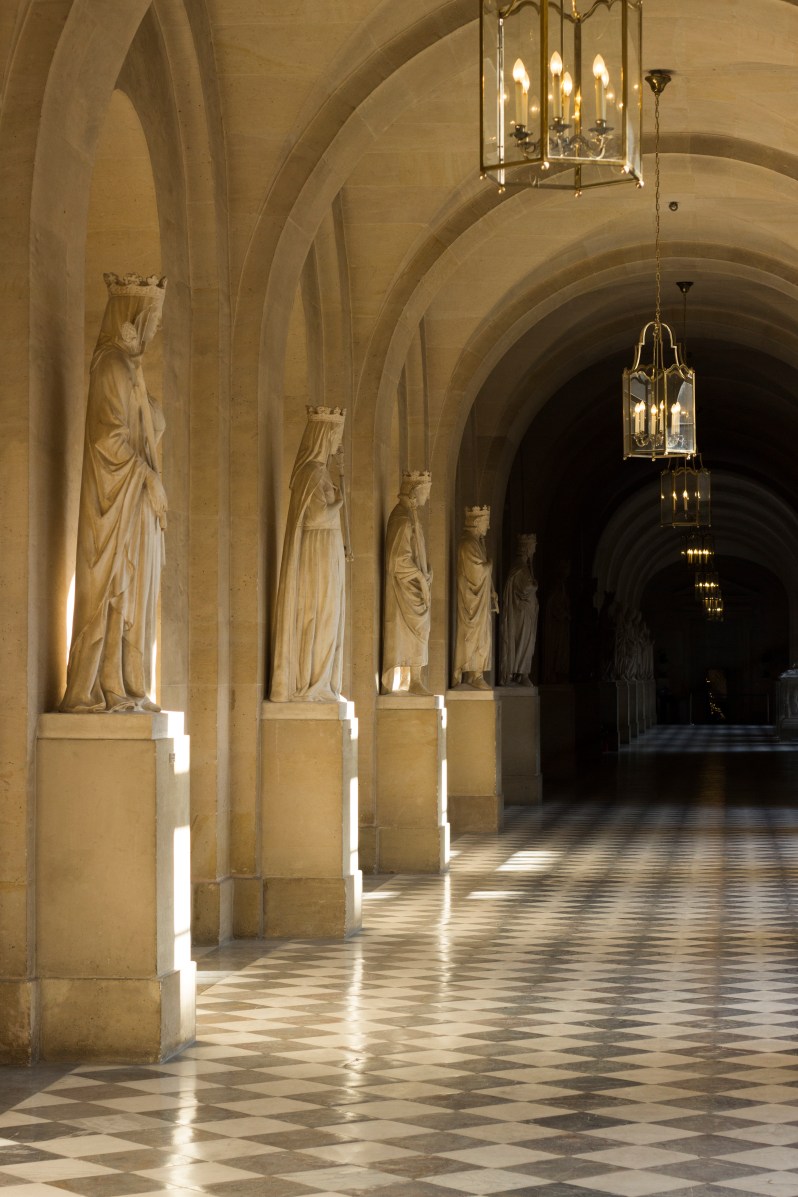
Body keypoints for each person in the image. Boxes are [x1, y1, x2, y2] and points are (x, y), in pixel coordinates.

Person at [61, 272, 167, 713]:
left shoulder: (131, 371)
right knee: (116, 592)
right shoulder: (111, 367)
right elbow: (110, 440)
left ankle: (127, 685)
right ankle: (104, 687)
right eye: (152, 319)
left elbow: (146, 430)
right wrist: (149, 477)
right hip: (117, 502)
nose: (155, 328)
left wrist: (149, 405)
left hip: (135, 505)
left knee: (136, 598)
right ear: (134, 318)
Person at [270, 406, 348, 702]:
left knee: (328, 615)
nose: (336, 445)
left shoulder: (322, 474)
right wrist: (340, 501)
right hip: (316, 553)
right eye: (334, 436)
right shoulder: (311, 474)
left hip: (327, 552)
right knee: (318, 615)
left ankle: (323, 681)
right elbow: (317, 517)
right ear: (322, 437)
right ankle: (311, 682)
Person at [382, 470, 433, 695]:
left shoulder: (411, 516)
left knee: (421, 628)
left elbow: (415, 552)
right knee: (415, 628)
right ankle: (410, 680)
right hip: (406, 587)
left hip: (414, 585)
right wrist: (420, 578)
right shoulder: (401, 517)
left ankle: (414, 678)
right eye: (426, 491)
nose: (428, 497)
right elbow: (397, 559)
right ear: (415, 491)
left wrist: (426, 572)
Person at [452, 506, 498, 690]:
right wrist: (489, 565)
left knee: (482, 636)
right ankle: (472, 672)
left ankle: (475, 674)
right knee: (474, 634)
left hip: (480, 602)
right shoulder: (468, 544)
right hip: (472, 603)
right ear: (477, 523)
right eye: (486, 523)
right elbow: (475, 574)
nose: (487, 527)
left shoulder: (476, 543)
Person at [499, 533, 538, 686]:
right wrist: (535, 585)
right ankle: (519, 672)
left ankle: (521, 673)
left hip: (526, 613)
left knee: (525, 642)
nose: (534, 550)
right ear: (527, 548)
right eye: (533, 546)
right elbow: (524, 588)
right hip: (520, 613)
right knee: (521, 641)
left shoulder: (523, 567)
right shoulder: (520, 568)